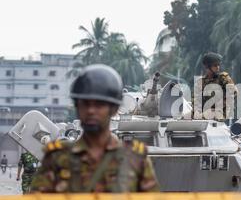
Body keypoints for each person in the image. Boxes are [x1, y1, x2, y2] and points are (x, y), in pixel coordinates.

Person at [30, 64, 159, 193]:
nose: (91, 110)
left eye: (99, 104)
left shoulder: (135, 159)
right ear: (77, 107)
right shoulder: (56, 159)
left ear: (114, 109)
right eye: (85, 104)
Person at [193, 52, 237, 120]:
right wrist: (196, 111)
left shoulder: (223, 78)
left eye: (218, 65)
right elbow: (196, 99)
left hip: (220, 112)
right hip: (205, 111)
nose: (218, 67)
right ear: (208, 67)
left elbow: (234, 92)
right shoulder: (201, 81)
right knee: (185, 117)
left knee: (202, 116)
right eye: (215, 65)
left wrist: (221, 104)